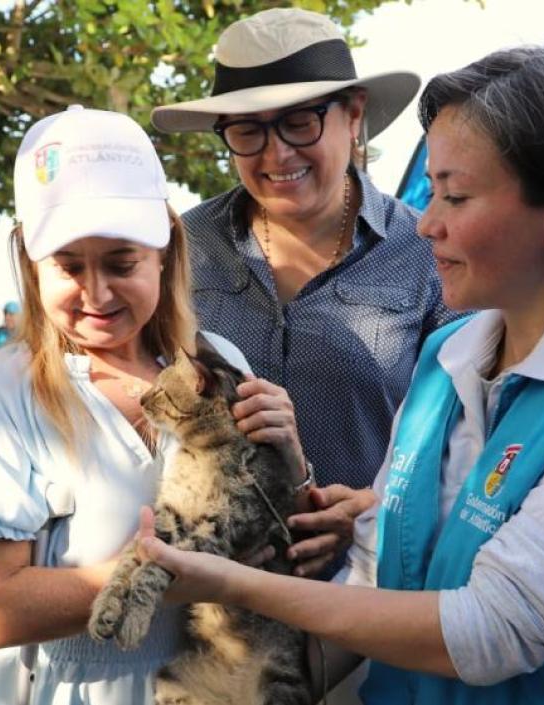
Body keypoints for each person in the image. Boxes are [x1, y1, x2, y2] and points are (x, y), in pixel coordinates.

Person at [136, 46, 544, 704]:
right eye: (431, 191)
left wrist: (224, 581)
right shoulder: (448, 360)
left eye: (455, 196)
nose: (426, 224)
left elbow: (488, 630)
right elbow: (374, 587)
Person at [0, 106, 327, 704]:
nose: (96, 293)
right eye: (67, 266)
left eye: (121, 262)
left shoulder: (218, 362)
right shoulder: (6, 390)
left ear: (166, 250)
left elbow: (268, 537)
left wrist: (292, 461)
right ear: (31, 268)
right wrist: (172, 576)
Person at [151, 9, 455, 513]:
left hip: (365, 580)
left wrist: (371, 512)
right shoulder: (184, 246)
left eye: (299, 123)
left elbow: (469, 441)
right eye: (248, 131)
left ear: (354, 114)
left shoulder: (430, 255)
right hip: (207, 572)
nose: (277, 155)